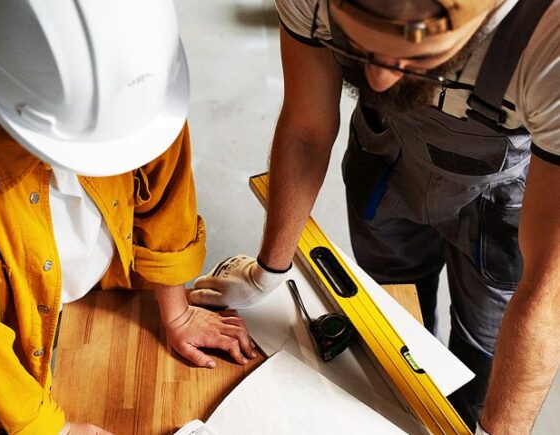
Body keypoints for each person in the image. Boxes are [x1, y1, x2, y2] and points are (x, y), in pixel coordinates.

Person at [189, 0, 560, 433]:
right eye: (359, 47)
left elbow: (546, 289)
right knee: (392, 316)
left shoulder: (549, 44)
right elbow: (307, 129)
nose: (379, 80)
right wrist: (269, 269)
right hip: (387, 160)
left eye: (415, 56)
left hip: (505, 203)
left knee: (483, 351)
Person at [0, 2, 255, 434]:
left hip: (105, 285)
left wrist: (177, 313)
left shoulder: (143, 91)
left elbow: (167, 193)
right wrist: (50, 429)